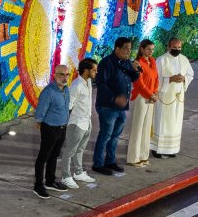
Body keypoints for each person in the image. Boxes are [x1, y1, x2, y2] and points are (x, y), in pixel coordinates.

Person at [92, 37, 141, 175]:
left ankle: (110, 161)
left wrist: (136, 70)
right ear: (117, 49)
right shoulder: (106, 63)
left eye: (130, 48)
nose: (129, 51)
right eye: (126, 48)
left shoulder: (126, 62)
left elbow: (133, 78)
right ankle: (98, 164)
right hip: (108, 106)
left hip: (121, 107)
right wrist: (114, 98)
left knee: (115, 136)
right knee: (105, 135)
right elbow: (101, 84)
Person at [151, 37, 195, 159]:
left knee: (175, 122)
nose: (177, 49)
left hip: (178, 97)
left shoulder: (184, 59)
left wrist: (184, 78)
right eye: (174, 47)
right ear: (168, 47)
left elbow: (190, 74)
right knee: (162, 121)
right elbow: (155, 79)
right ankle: (157, 148)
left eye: (179, 47)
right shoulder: (161, 60)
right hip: (165, 96)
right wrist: (170, 79)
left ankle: (171, 148)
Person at [33, 63, 72, 198]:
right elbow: (40, 112)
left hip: (62, 127)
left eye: (67, 75)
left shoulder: (66, 90)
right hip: (50, 128)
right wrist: (41, 125)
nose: (64, 77)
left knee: (54, 155)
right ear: (54, 75)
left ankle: (50, 181)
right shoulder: (49, 92)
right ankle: (38, 186)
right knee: (43, 157)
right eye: (61, 74)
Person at [59, 58, 98, 189]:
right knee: (70, 151)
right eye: (94, 70)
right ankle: (65, 176)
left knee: (80, 150)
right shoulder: (76, 86)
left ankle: (78, 172)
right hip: (76, 124)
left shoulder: (88, 81)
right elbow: (68, 106)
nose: (96, 72)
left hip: (87, 122)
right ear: (86, 71)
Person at [127, 40, 158, 167]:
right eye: (148, 49)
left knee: (146, 127)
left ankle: (144, 156)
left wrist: (154, 93)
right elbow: (139, 83)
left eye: (152, 49)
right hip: (141, 96)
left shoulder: (153, 61)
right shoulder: (137, 63)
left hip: (151, 97)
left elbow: (156, 78)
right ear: (142, 49)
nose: (151, 51)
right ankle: (133, 157)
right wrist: (151, 95)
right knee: (138, 127)